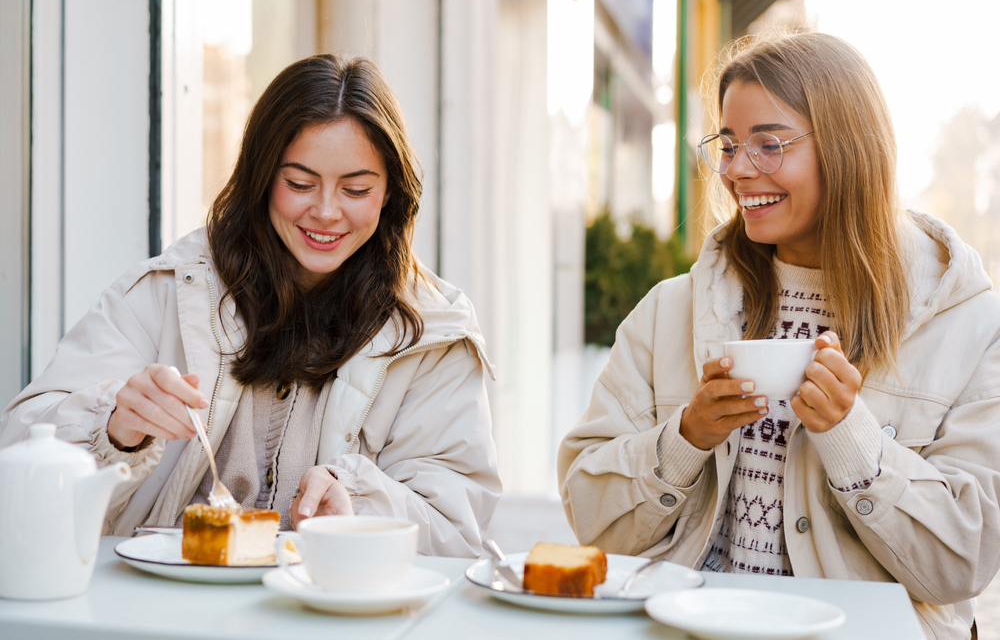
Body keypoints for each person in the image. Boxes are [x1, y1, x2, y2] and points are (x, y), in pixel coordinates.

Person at [558, 31, 1000, 639]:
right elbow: (590, 518)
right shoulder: (670, 310)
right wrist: (686, 438)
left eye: (768, 145)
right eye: (730, 144)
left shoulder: (967, 323)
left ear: (848, 150)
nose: (737, 170)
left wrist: (855, 441)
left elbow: (965, 562)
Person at [1, 53, 501, 558]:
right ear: (261, 176)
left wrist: (359, 505)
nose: (326, 212)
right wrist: (114, 427)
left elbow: (455, 529)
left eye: (356, 189)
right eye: (300, 183)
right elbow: (19, 452)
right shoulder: (170, 290)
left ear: (390, 192)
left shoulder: (433, 332)